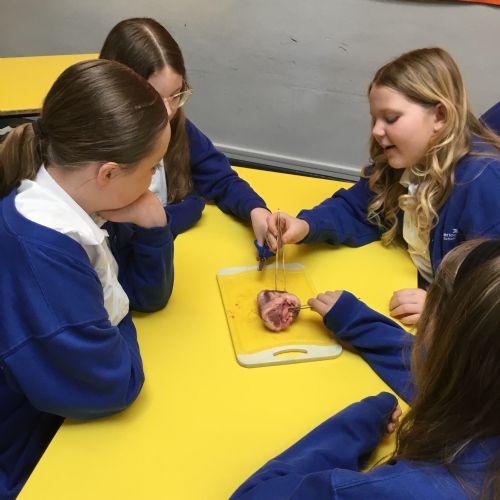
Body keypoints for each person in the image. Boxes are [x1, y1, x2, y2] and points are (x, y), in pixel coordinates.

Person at [0, 59, 174, 498]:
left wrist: (153, 226)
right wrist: (116, 321)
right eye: (152, 167)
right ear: (108, 173)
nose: (154, 180)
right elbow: (114, 382)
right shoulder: (42, 254)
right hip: (24, 454)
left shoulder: (82, 204)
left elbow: (146, 297)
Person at [231, 239, 500, 499]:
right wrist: (353, 320)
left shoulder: (409, 490)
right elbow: (432, 371)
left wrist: (357, 426)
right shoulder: (484, 400)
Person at [265, 47, 500, 325]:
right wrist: (305, 226)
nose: (376, 131)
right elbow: (357, 207)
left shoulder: (482, 184)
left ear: (440, 116)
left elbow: (491, 294)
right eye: (375, 118)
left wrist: (441, 308)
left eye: (391, 118)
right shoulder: (406, 160)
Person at [99, 17, 273, 262]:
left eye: (175, 95)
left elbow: (220, 178)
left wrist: (256, 209)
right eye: (153, 98)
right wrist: (191, 206)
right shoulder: (98, 152)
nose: (168, 111)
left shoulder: (175, 125)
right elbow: (129, 235)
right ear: (116, 91)